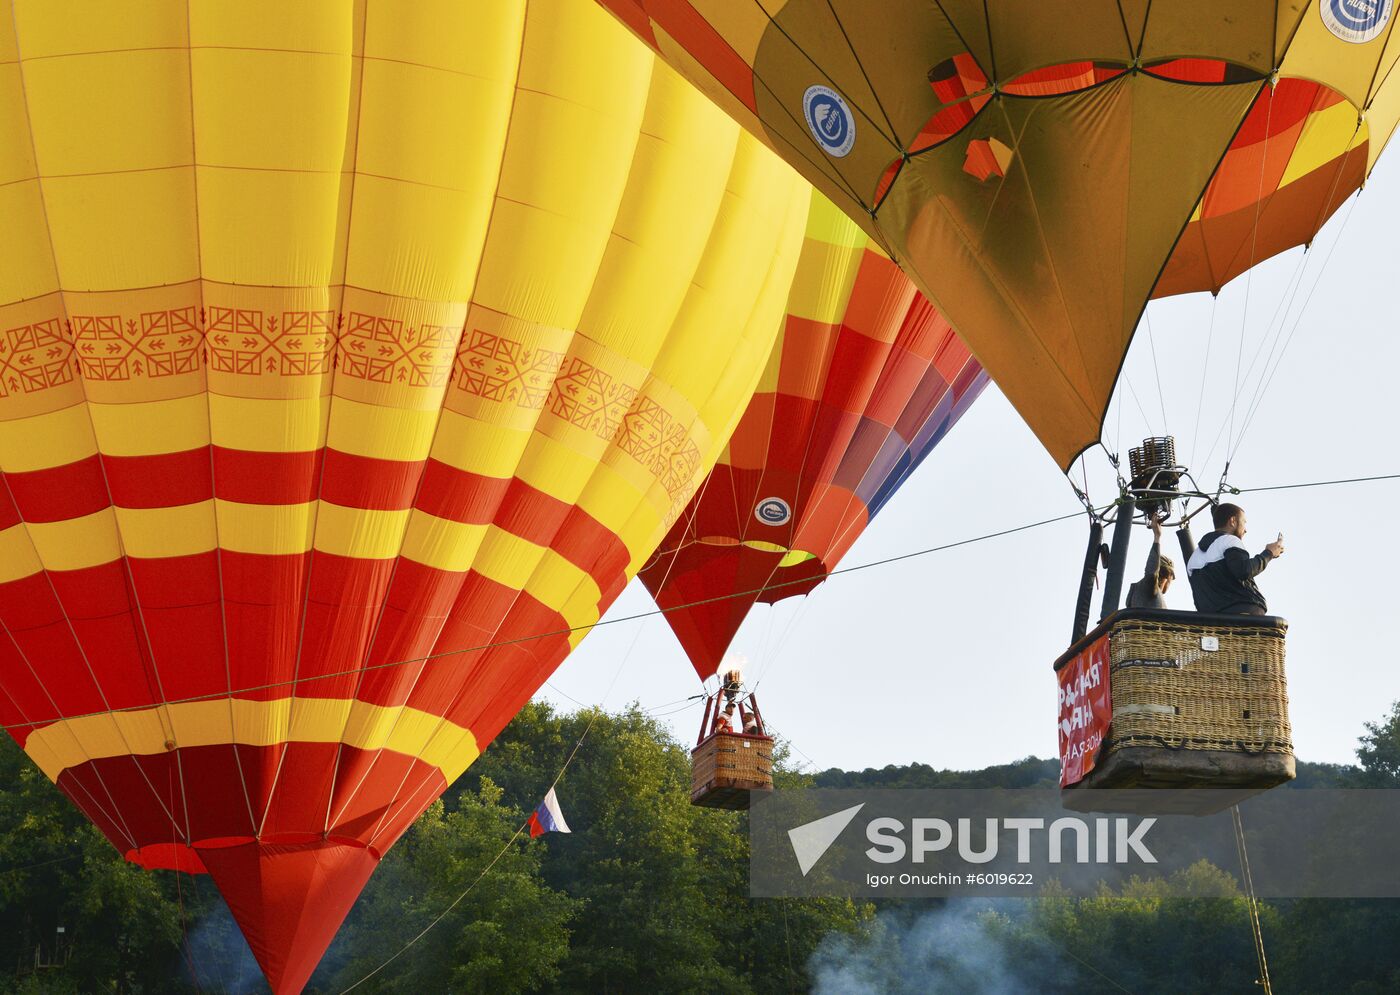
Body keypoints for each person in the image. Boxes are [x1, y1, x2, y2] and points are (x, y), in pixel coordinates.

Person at [1186, 502, 1285, 615]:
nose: (1245, 530)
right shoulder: (1230, 540)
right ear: (1233, 521)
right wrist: (1269, 553)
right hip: (1243, 614)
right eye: (1244, 522)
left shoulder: (1194, 557)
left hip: (1212, 622)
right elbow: (1244, 570)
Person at [1127, 516, 1175, 609]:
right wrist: (1157, 537)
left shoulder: (1147, 592)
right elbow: (1151, 574)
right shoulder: (1150, 587)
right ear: (1167, 577)